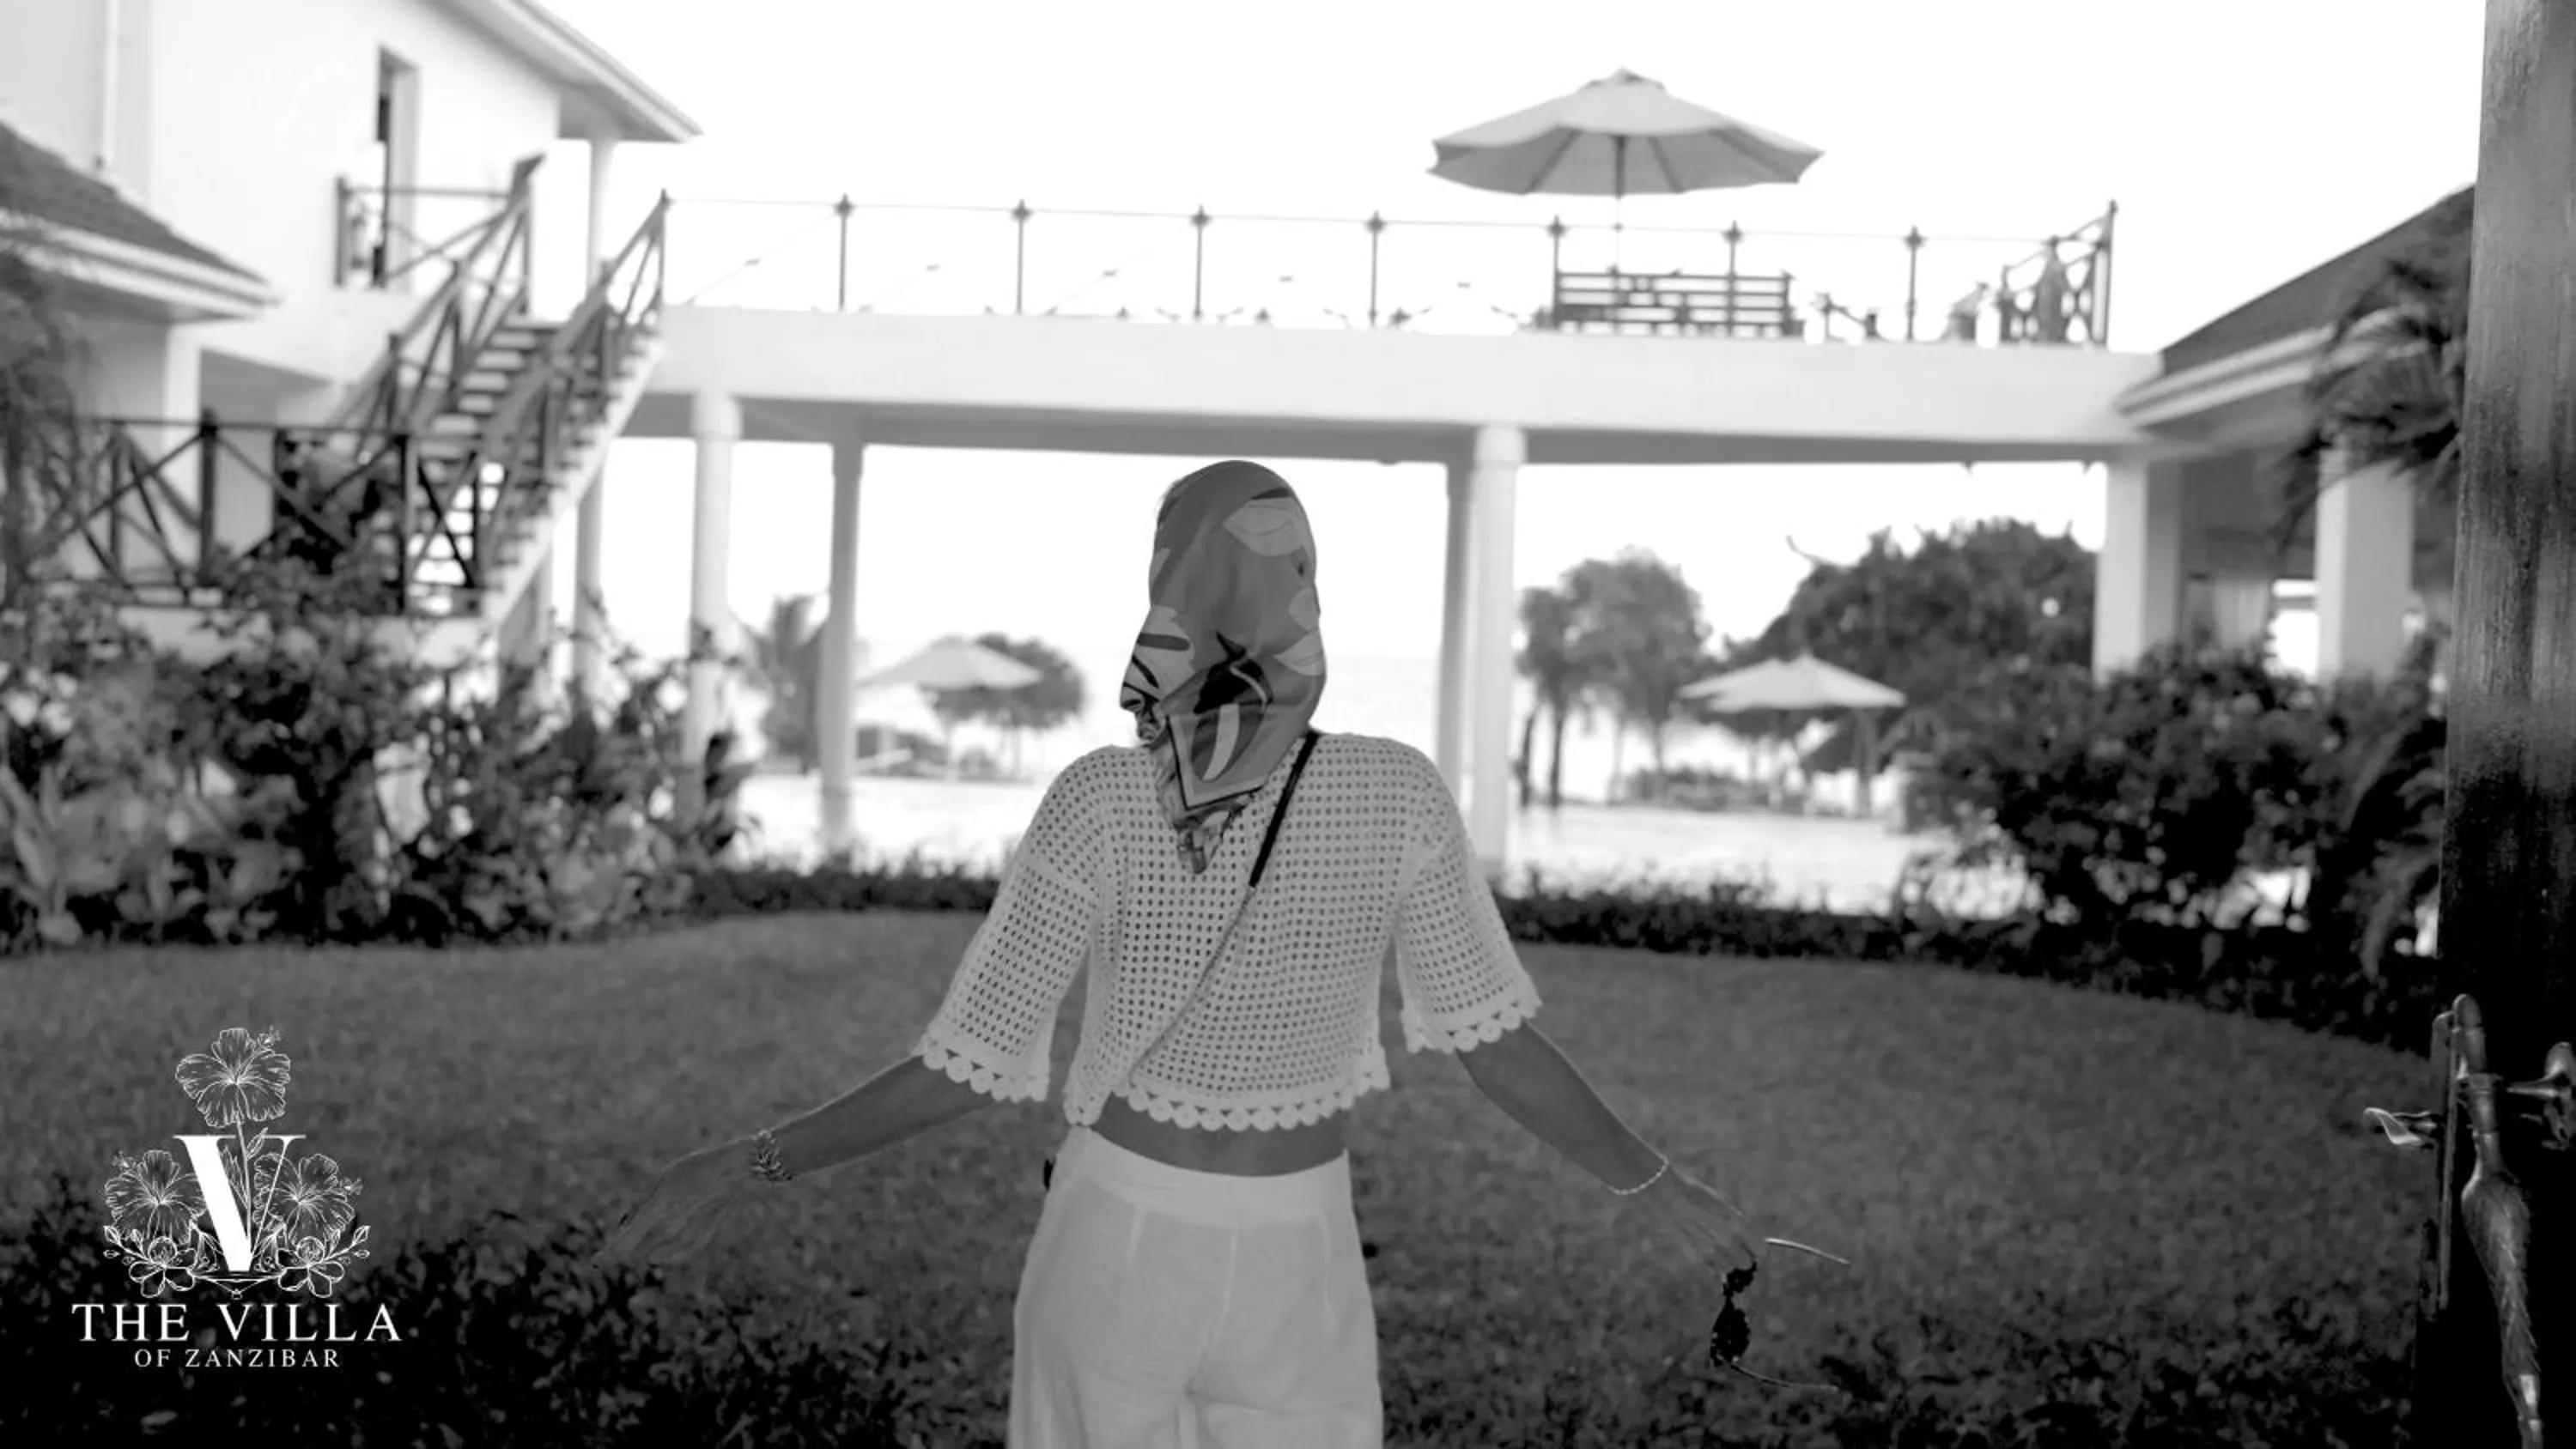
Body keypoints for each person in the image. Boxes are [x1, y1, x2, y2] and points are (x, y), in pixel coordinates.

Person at [598, 459, 1763, 1446]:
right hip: (1280, 1246)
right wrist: (1653, 1182)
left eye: (1307, 563)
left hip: (1135, 1236)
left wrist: (747, 1164)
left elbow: (970, 1064)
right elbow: (1494, 1046)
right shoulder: (1384, 791)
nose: (1305, 587)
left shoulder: (1114, 796)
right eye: (1286, 563)